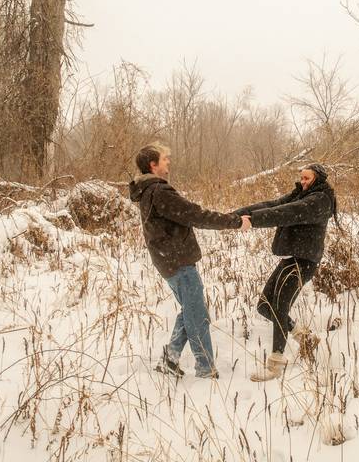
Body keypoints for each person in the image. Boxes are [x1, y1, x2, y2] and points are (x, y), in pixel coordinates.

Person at [129, 143, 251, 379]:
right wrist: (236, 222)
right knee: (198, 316)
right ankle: (205, 368)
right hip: (178, 262)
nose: (168, 162)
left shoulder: (147, 190)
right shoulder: (158, 191)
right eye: (165, 159)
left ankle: (170, 359)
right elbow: (196, 215)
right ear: (153, 165)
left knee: (191, 311)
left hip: (169, 260)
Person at [234, 163, 337, 381]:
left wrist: (252, 222)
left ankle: (275, 365)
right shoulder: (300, 194)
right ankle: (304, 337)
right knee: (264, 306)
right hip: (291, 259)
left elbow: (286, 213)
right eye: (301, 178)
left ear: (318, 179)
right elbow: (273, 204)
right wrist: (238, 215)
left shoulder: (320, 200)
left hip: (303, 262)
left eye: (307, 178)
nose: (303, 182)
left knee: (280, 306)